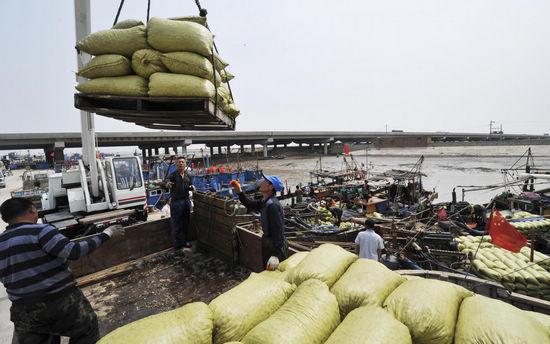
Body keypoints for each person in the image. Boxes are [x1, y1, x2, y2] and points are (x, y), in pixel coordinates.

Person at [0, 197, 124, 344]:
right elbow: (75, 252)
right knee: (86, 329)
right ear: (32, 210)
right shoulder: (41, 231)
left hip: (23, 309)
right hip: (60, 301)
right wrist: (106, 234)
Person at [230, 173, 288, 268]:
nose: (262, 183)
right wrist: (239, 192)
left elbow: (279, 230)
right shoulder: (264, 201)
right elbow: (249, 204)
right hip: (267, 242)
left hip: (275, 245)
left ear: (271, 187)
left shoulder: (273, 205)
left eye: (265, 181)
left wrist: (276, 255)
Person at [163, 157, 195, 255]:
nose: (181, 164)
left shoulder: (188, 175)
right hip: (176, 202)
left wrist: (191, 187)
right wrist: (167, 184)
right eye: (179, 162)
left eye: (183, 162)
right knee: (176, 225)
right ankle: (177, 248)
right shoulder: (172, 175)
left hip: (186, 201)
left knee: (186, 223)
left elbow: (190, 184)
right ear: (176, 165)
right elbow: (163, 183)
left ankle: (184, 242)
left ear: (185, 164)